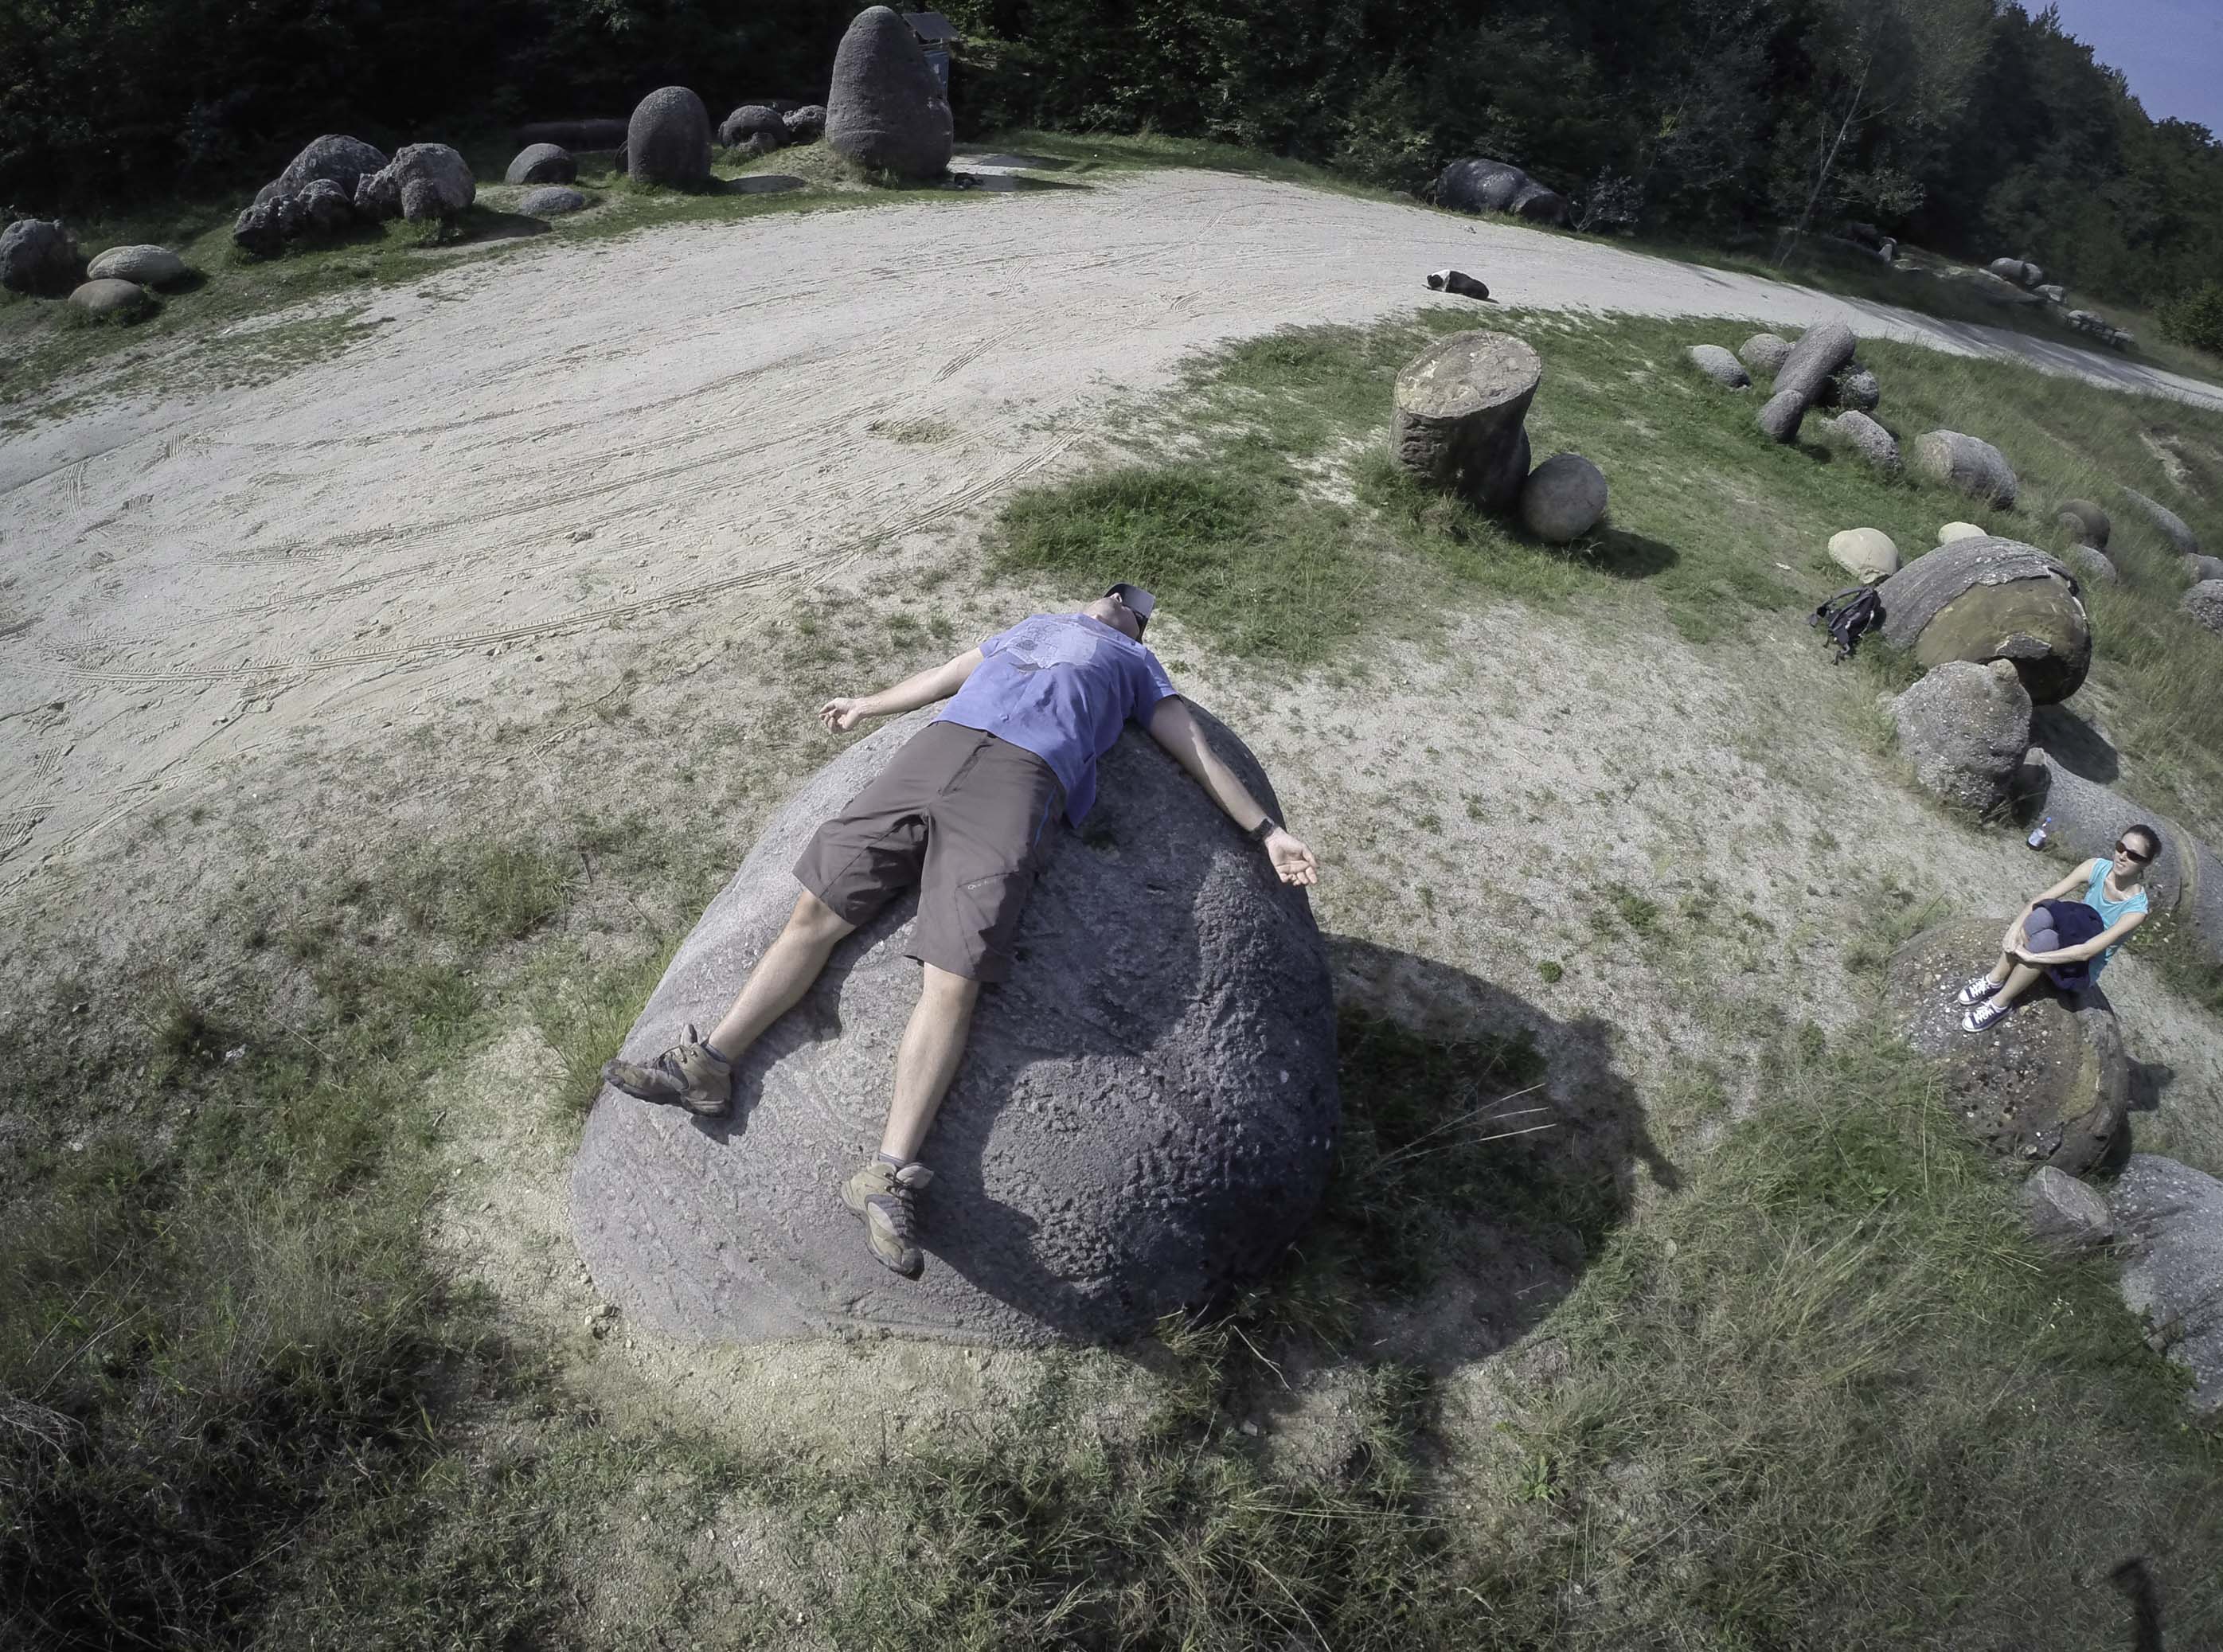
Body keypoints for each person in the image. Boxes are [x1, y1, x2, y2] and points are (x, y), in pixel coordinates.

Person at [602, 583, 1321, 1279]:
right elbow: (949, 673)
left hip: (1020, 781)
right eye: (1116, 591)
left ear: (1138, 631)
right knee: (813, 913)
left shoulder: (1136, 665)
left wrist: (1267, 831)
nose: (1120, 601)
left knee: (955, 975)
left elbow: (1194, 747)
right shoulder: (1031, 626)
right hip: (933, 754)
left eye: (1136, 608)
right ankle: (709, 1065)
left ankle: (887, 1176)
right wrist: (868, 704)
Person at [1956, 825, 2159, 1032]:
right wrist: (2015, 928)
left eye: (2133, 855)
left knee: (2045, 941)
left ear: (2146, 863)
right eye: (2120, 847)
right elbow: (2044, 897)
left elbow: (2086, 951)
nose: (2123, 856)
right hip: (2073, 929)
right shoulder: (2096, 867)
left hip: (2082, 965)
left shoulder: (2136, 910)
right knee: (2040, 915)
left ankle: (2000, 1003)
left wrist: (2034, 957)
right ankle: (1994, 979)